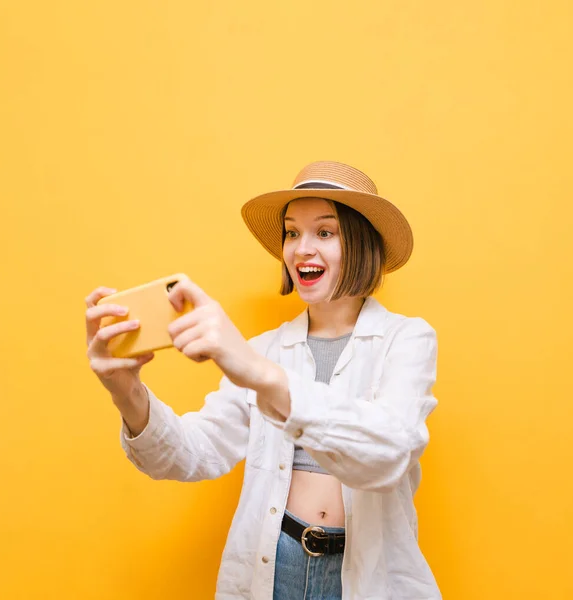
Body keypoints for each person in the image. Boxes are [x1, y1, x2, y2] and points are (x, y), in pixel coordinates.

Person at [85, 161, 442, 599]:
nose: (300, 249)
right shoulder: (264, 349)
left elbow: (390, 452)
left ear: (362, 243)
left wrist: (259, 374)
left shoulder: (406, 339)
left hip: (367, 575)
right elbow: (194, 454)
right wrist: (126, 389)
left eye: (324, 233)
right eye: (292, 232)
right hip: (276, 566)